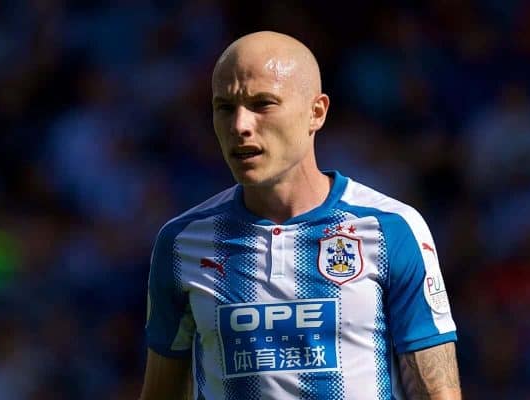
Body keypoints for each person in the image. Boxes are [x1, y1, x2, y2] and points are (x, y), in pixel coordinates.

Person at [139, 31, 461, 400]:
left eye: (262, 104)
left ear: (316, 112)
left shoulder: (391, 229)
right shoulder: (182, 243)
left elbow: (438, 392)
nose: (239, 125)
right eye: (224, 107)